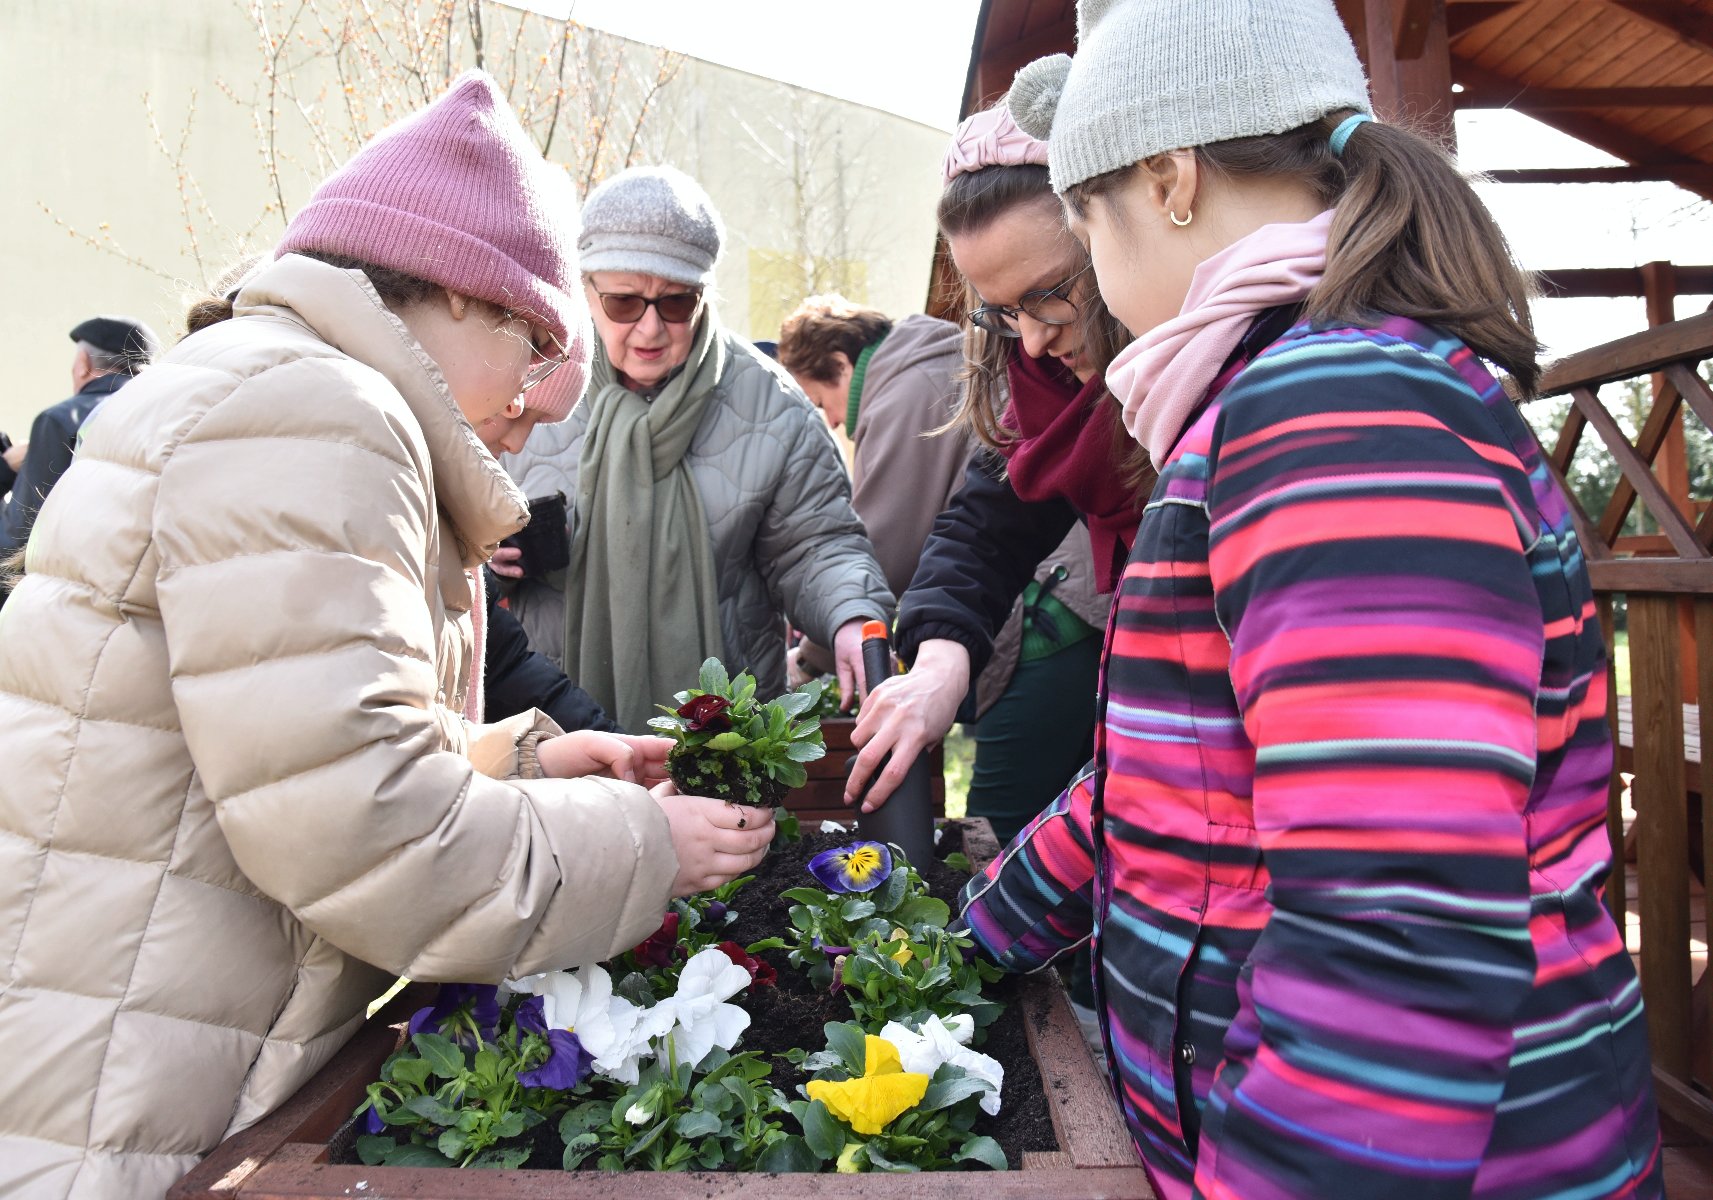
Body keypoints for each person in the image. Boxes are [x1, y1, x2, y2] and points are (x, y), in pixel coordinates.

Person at [0, 73, 774, 1200]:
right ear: (458, 296)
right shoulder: (317, 414)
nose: (551, 400)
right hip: (132, 1080)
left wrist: (524, 764)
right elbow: (364, 835)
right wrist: (643, 845)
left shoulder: (267, 388)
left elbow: (278, 759)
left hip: (134, 1007)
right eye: (541, 343)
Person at [958, 3, 1662, 1198]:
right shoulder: (1282, 396)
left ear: (1172, 178)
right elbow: (1172, 770)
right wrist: (977, 931)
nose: (1091, 269)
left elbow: (1399, 932)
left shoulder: (1338, 418)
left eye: (1087, 214)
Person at [496, 165, 892, 733]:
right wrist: (487, 561)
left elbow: (816, 545)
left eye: (677, 303)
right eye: (624, 303)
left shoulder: (771, 405)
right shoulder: (525, 388)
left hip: (728, 744)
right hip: (557, 727)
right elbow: (445, 531)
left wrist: (852, 614)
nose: (651, 329)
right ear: (584, 289)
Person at [847, 103, 1146, 821]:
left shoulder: (1231, 395)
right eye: (1004, 313)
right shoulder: (1041, 394)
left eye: (1049, 297)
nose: (1034, 343)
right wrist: (942, 660)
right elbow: (981, 532)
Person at [779, 293, 1109, 844]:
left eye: (820, 401)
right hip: (1079, 607)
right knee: (1070, 820)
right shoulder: (930, 362)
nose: (832, 421)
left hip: (1047, 616)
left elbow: (885, 548)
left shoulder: (905, 391)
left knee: (1001, 824)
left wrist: (810, 659)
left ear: (840, 364)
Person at [0, 315, 160, 554]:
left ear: (83, 364)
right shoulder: (162, 413)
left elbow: (17, 540)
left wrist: (5, 470)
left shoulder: (60, 420)